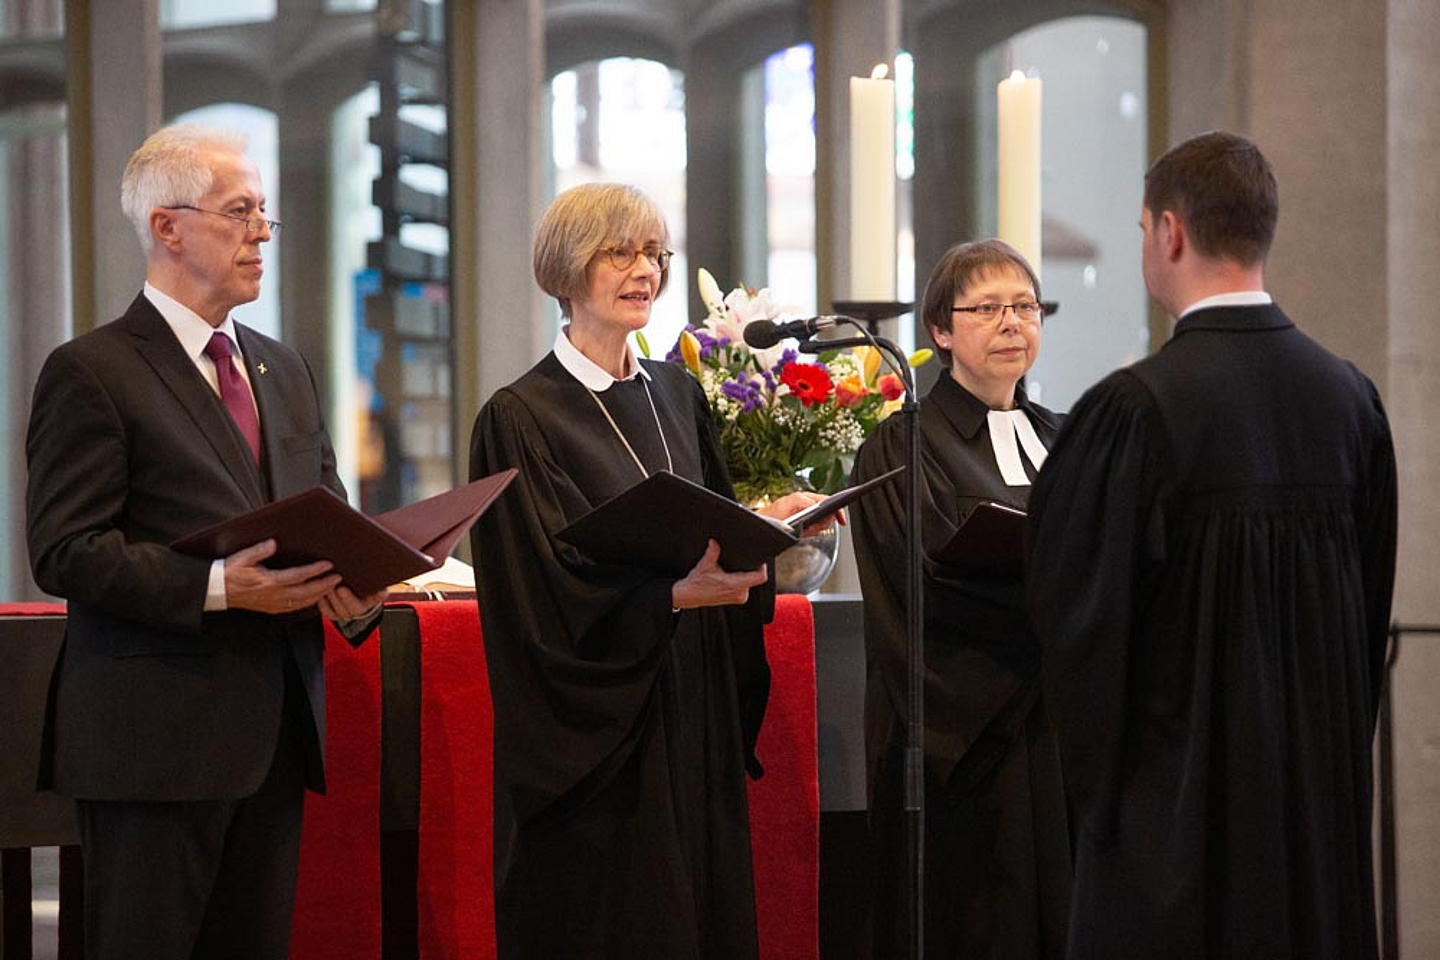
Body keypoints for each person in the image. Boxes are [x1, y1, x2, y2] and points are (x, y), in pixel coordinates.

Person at [1025, 131, 1397, 960]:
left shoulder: (1133, 412)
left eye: (1141, 230)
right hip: (1312, 832)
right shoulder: (1351, 403)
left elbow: (1081, 634)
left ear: (1170, 233)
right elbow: (1365, 626)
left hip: (1177, 840)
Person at [25, 124, 385, 960]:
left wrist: (359, 580)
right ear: (168, 227)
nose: (262, 232)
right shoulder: (93, 370)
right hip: (152, 746)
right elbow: (65, 549)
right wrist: (220, 587)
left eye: (264, 213)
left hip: (274, 738)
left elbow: (322, 511)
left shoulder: (282, 369)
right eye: (240, 212)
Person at [468, 181, 829, 959]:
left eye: (654, 254)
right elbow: (538, 592)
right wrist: (666, 598)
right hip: (598, 736)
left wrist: (771, 522)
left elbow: (710, 526)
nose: (645, 271)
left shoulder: (677, 392)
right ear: (567, 269)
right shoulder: (521, 416)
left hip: (692, 698)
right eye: (620, 253)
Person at [851, 239, 1071, 958]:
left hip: (1063, 734)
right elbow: (923, 588)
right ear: (941, 331)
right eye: (987, 309)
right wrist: (1061, 616)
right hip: (969, 739)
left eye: (1025, 307)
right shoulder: (903, 446)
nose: (1012, 323)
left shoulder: (1067, 439)